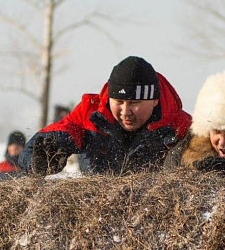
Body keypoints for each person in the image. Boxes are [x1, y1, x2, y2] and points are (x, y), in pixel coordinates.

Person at [19, 56, 191, 175]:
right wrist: (36, 161)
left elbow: (205, 155)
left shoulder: (180, 126)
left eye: (135, 103)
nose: (125, 112)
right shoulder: (90, 115)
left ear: (154, 100)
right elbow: (45, 140)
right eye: (119, 102)